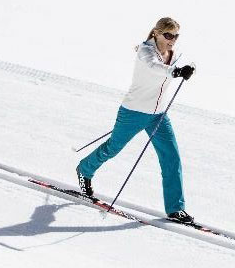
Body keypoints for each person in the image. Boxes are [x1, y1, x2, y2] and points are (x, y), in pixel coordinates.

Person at [76, 16, 196, 223]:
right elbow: (154, 67)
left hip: (158, 116)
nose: (172, 40)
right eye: (168, 35)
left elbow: (166, 69)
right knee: (113, 148)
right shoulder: (145, 51)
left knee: (171, 158)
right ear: (157, 33)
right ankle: (84, 169)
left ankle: (176, 209)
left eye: (176, 36)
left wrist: (187, 68)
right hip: (134, 111)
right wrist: (175, 71)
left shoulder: (173, 54)